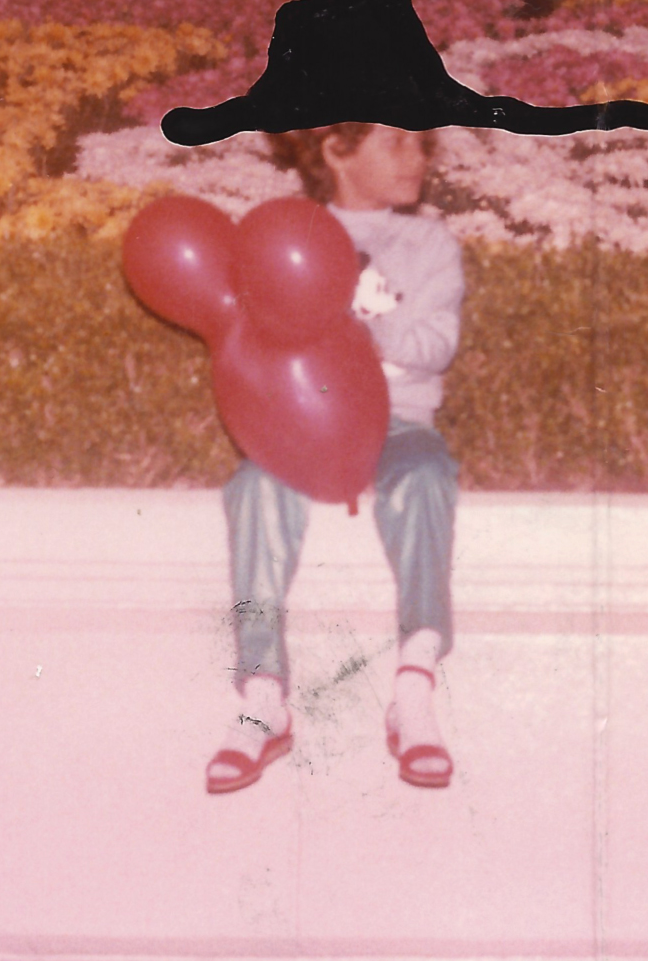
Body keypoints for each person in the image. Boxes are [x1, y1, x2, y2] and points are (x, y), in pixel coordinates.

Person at [206, 123, 464, 794]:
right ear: (336, 148)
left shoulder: (427, 242)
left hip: (397, 422)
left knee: (426, 477)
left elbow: (433, 342)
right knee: (253, 490)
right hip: (302, 424)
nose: (418, 155)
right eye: (398, 141)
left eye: (420, 143)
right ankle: (262, 694)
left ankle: (414, 681)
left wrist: (350, 319)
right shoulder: (284, 234)